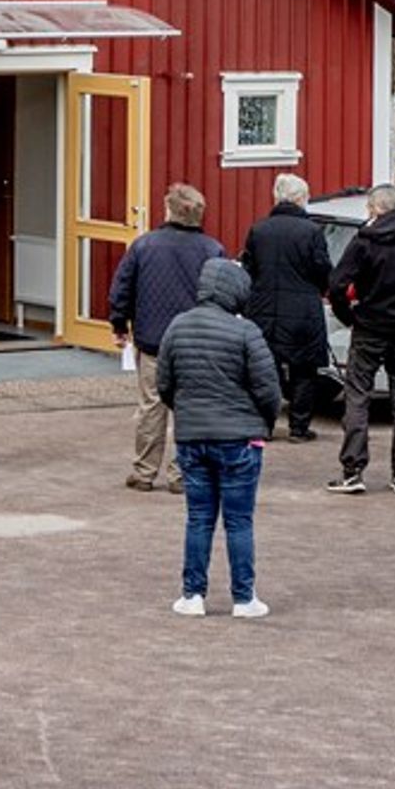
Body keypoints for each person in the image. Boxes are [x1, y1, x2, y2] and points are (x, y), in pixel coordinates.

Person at [158, 258, 280, 619]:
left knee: (199, 518)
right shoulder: (246, 333)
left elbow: (165, 383)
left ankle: (192, 595)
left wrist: (186, 414)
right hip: (239, 438)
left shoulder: (177, 326)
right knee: (239, 521)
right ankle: (244, 598)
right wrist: (263, 423)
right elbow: (268, 388)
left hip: (192, 437)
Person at [111, 183, 227, 493]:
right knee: (189, 407)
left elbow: (122, 288)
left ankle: (144, 471)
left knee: (151, 406)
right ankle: (183, 474)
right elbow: (224, 295)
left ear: (169, 210)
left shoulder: (144, 245)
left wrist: (119, 325)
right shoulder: (212, 250)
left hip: (153, 338)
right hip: (197, 341)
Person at [328, 183, 395, 493]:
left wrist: (349, 316)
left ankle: (353, 469)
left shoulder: (364, 242)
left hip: (369, 327)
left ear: (374, 209)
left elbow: (337, 284)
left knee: (358, 394)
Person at [240, 173, 333, 442]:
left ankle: (264, 426)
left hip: (263, 308)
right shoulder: (312, 232)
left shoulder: (259, 230)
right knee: (304, 370)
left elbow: (249, 269)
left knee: (264, 368)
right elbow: (322, 270)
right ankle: (299, 427)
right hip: (303, 310)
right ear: (301, 198)